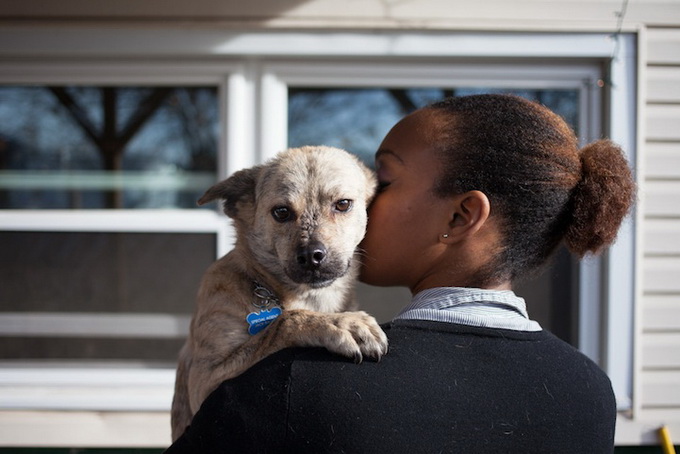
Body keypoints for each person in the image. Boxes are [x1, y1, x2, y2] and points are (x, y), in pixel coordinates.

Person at [165, 94, 635, 453]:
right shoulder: (591, 391)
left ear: (459, 217)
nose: (373, 203)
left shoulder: (299, 379)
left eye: (382, 184)